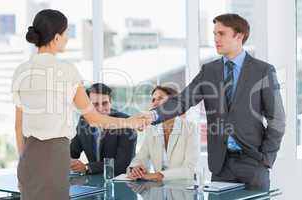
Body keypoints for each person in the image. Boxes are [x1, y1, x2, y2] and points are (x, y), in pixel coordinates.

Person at [11, 9, 149, 200]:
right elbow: (93, 118)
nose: (68, 38)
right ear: (56, 37)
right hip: (55, 155)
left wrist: (22, 161)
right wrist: (131, 122)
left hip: (28, 157)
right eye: (66, 33)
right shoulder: (66, 70)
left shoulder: (21, 71)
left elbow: (19, 126)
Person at [141, 14, 285, 190]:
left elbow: (277, 118)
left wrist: (266, 158)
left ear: (239, 36)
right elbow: (183, 100)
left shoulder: (262, 71)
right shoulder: (209, 70)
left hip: (254, 163)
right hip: (220, 165)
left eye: (221, 34)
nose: (215, 39)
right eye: (214, 33)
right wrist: (154, 114)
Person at [127, 86, 200, 181]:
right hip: (158, 189)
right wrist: (135, 169)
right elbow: (140, 158)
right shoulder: (152, 129)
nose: (155, 102)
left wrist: (157, 175)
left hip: (183, 189)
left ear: (173, 103)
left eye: (160, 98)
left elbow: (190, 169)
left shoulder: (190, 128)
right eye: (153, 100)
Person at [70, 83, 137, 176]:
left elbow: (123, 164)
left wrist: (87, 167)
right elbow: (73, 151)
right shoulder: (83, 121)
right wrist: (70, 161)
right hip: (93, 180)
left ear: (111, 102)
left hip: (119, 181)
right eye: (95, 104)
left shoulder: (125, 123)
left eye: (105, 103)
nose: (101, 109)